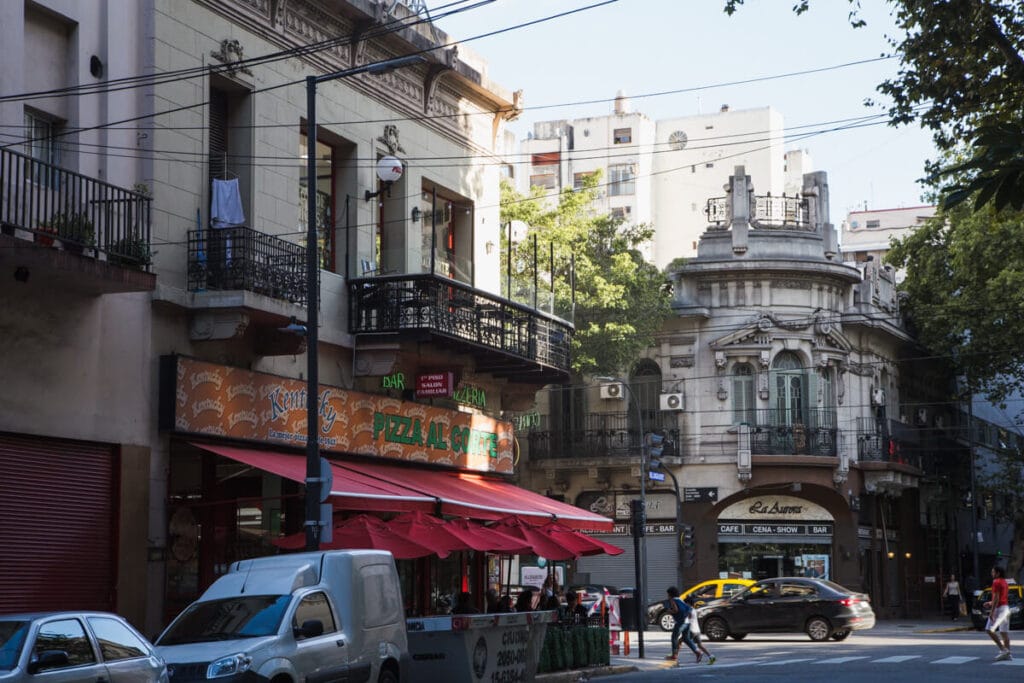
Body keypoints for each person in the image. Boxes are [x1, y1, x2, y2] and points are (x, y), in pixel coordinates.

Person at [664, 586, 716, 665]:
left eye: (668, 594)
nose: (667, 596)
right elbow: (688, 609)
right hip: (687, 623)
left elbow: (675, 610)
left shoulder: (672, 600)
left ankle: (674, 655)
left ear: (670, 594)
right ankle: (697, 652)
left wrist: (669, 611)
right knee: (686, 638)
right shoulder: (680, 600)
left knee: (674, 637)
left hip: (680, 623)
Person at [984, 565, 1012, 661]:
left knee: (989, 629)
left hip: (998, 609)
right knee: (1004, 632)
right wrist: (990, 602)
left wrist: (991, 611)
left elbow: (996, 598)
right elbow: (1001, 597)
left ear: (997, 573)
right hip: (1005, 608)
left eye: (993, 572)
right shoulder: (1005, 582)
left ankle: (1003, 650)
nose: (991, 574)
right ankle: (1007, 653)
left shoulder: (996, 582)